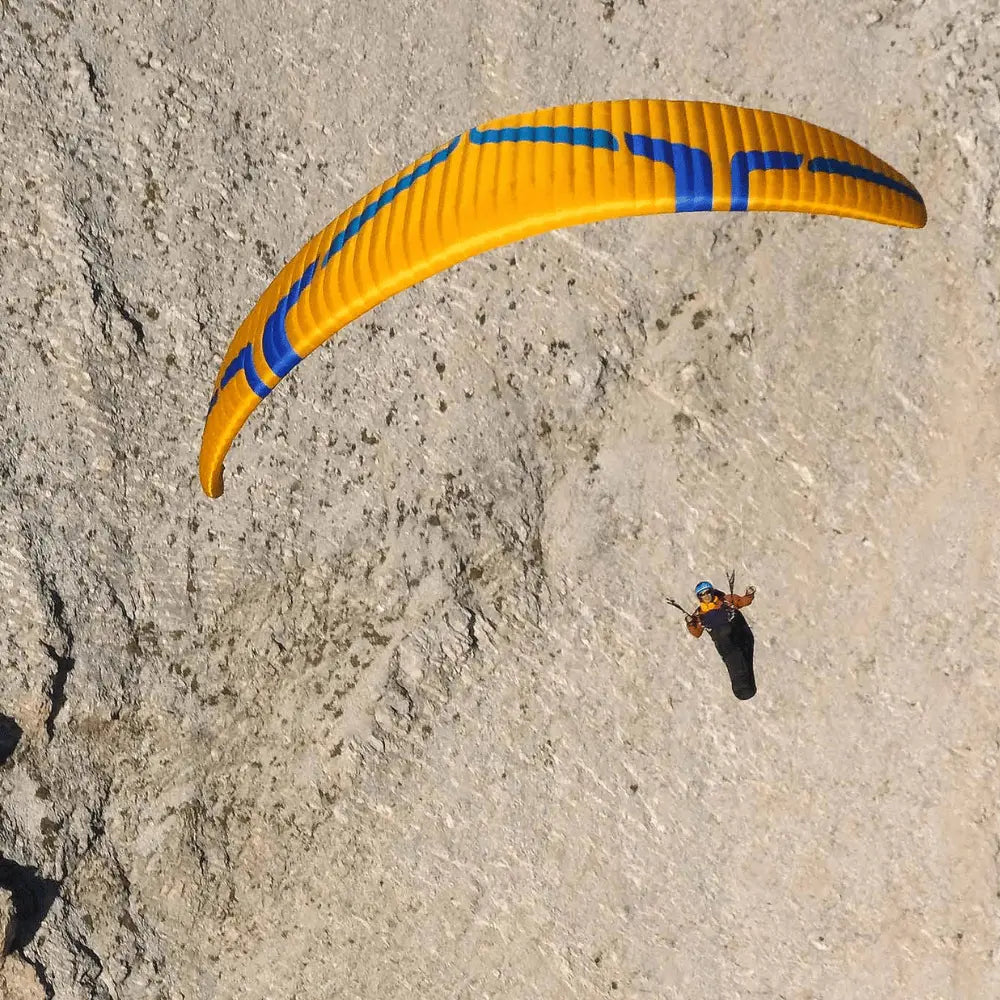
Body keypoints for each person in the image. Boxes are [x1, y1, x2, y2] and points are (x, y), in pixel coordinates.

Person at [686, 580, 757, 700]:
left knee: (744, 661)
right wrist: (690, 624)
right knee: (736, 665)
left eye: (708, 592)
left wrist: (749, 594)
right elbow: (697, 633)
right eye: (702, 594)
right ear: (699, 597)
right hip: (725, 646)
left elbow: (742, 601)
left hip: (739, 637)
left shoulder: (726, 601)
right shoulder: (699, 614)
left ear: (712, 592)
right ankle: (743, 689)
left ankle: (747, 688)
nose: (706, 596)